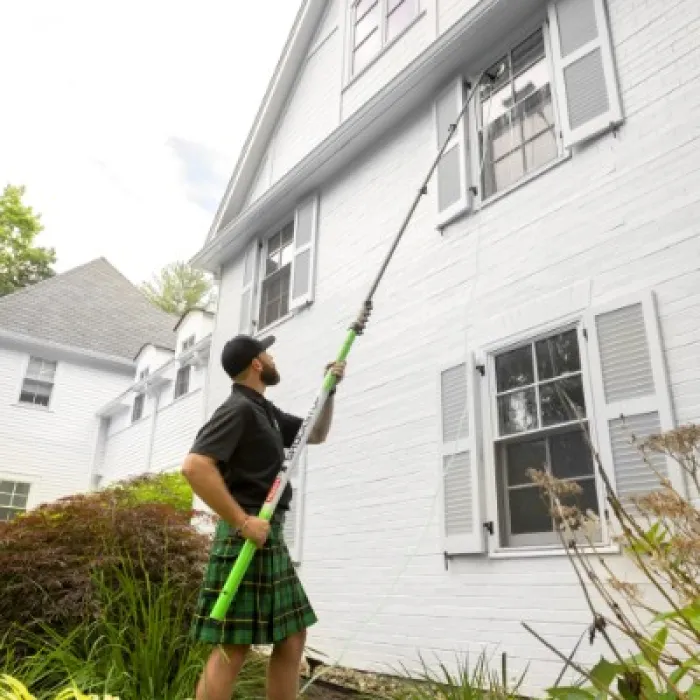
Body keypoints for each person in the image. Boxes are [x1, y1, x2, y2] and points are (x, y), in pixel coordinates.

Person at [182, 332, 345, 700]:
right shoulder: (237, 409)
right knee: (232, 646)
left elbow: (314, 434)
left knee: (291, 635)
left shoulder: (264, 411)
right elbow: (195, 467)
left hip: (266, 532)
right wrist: (242, 521)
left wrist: (329, 390)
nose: (273, 359)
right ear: (257, 363)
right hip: (246, 533)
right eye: (267, 354)